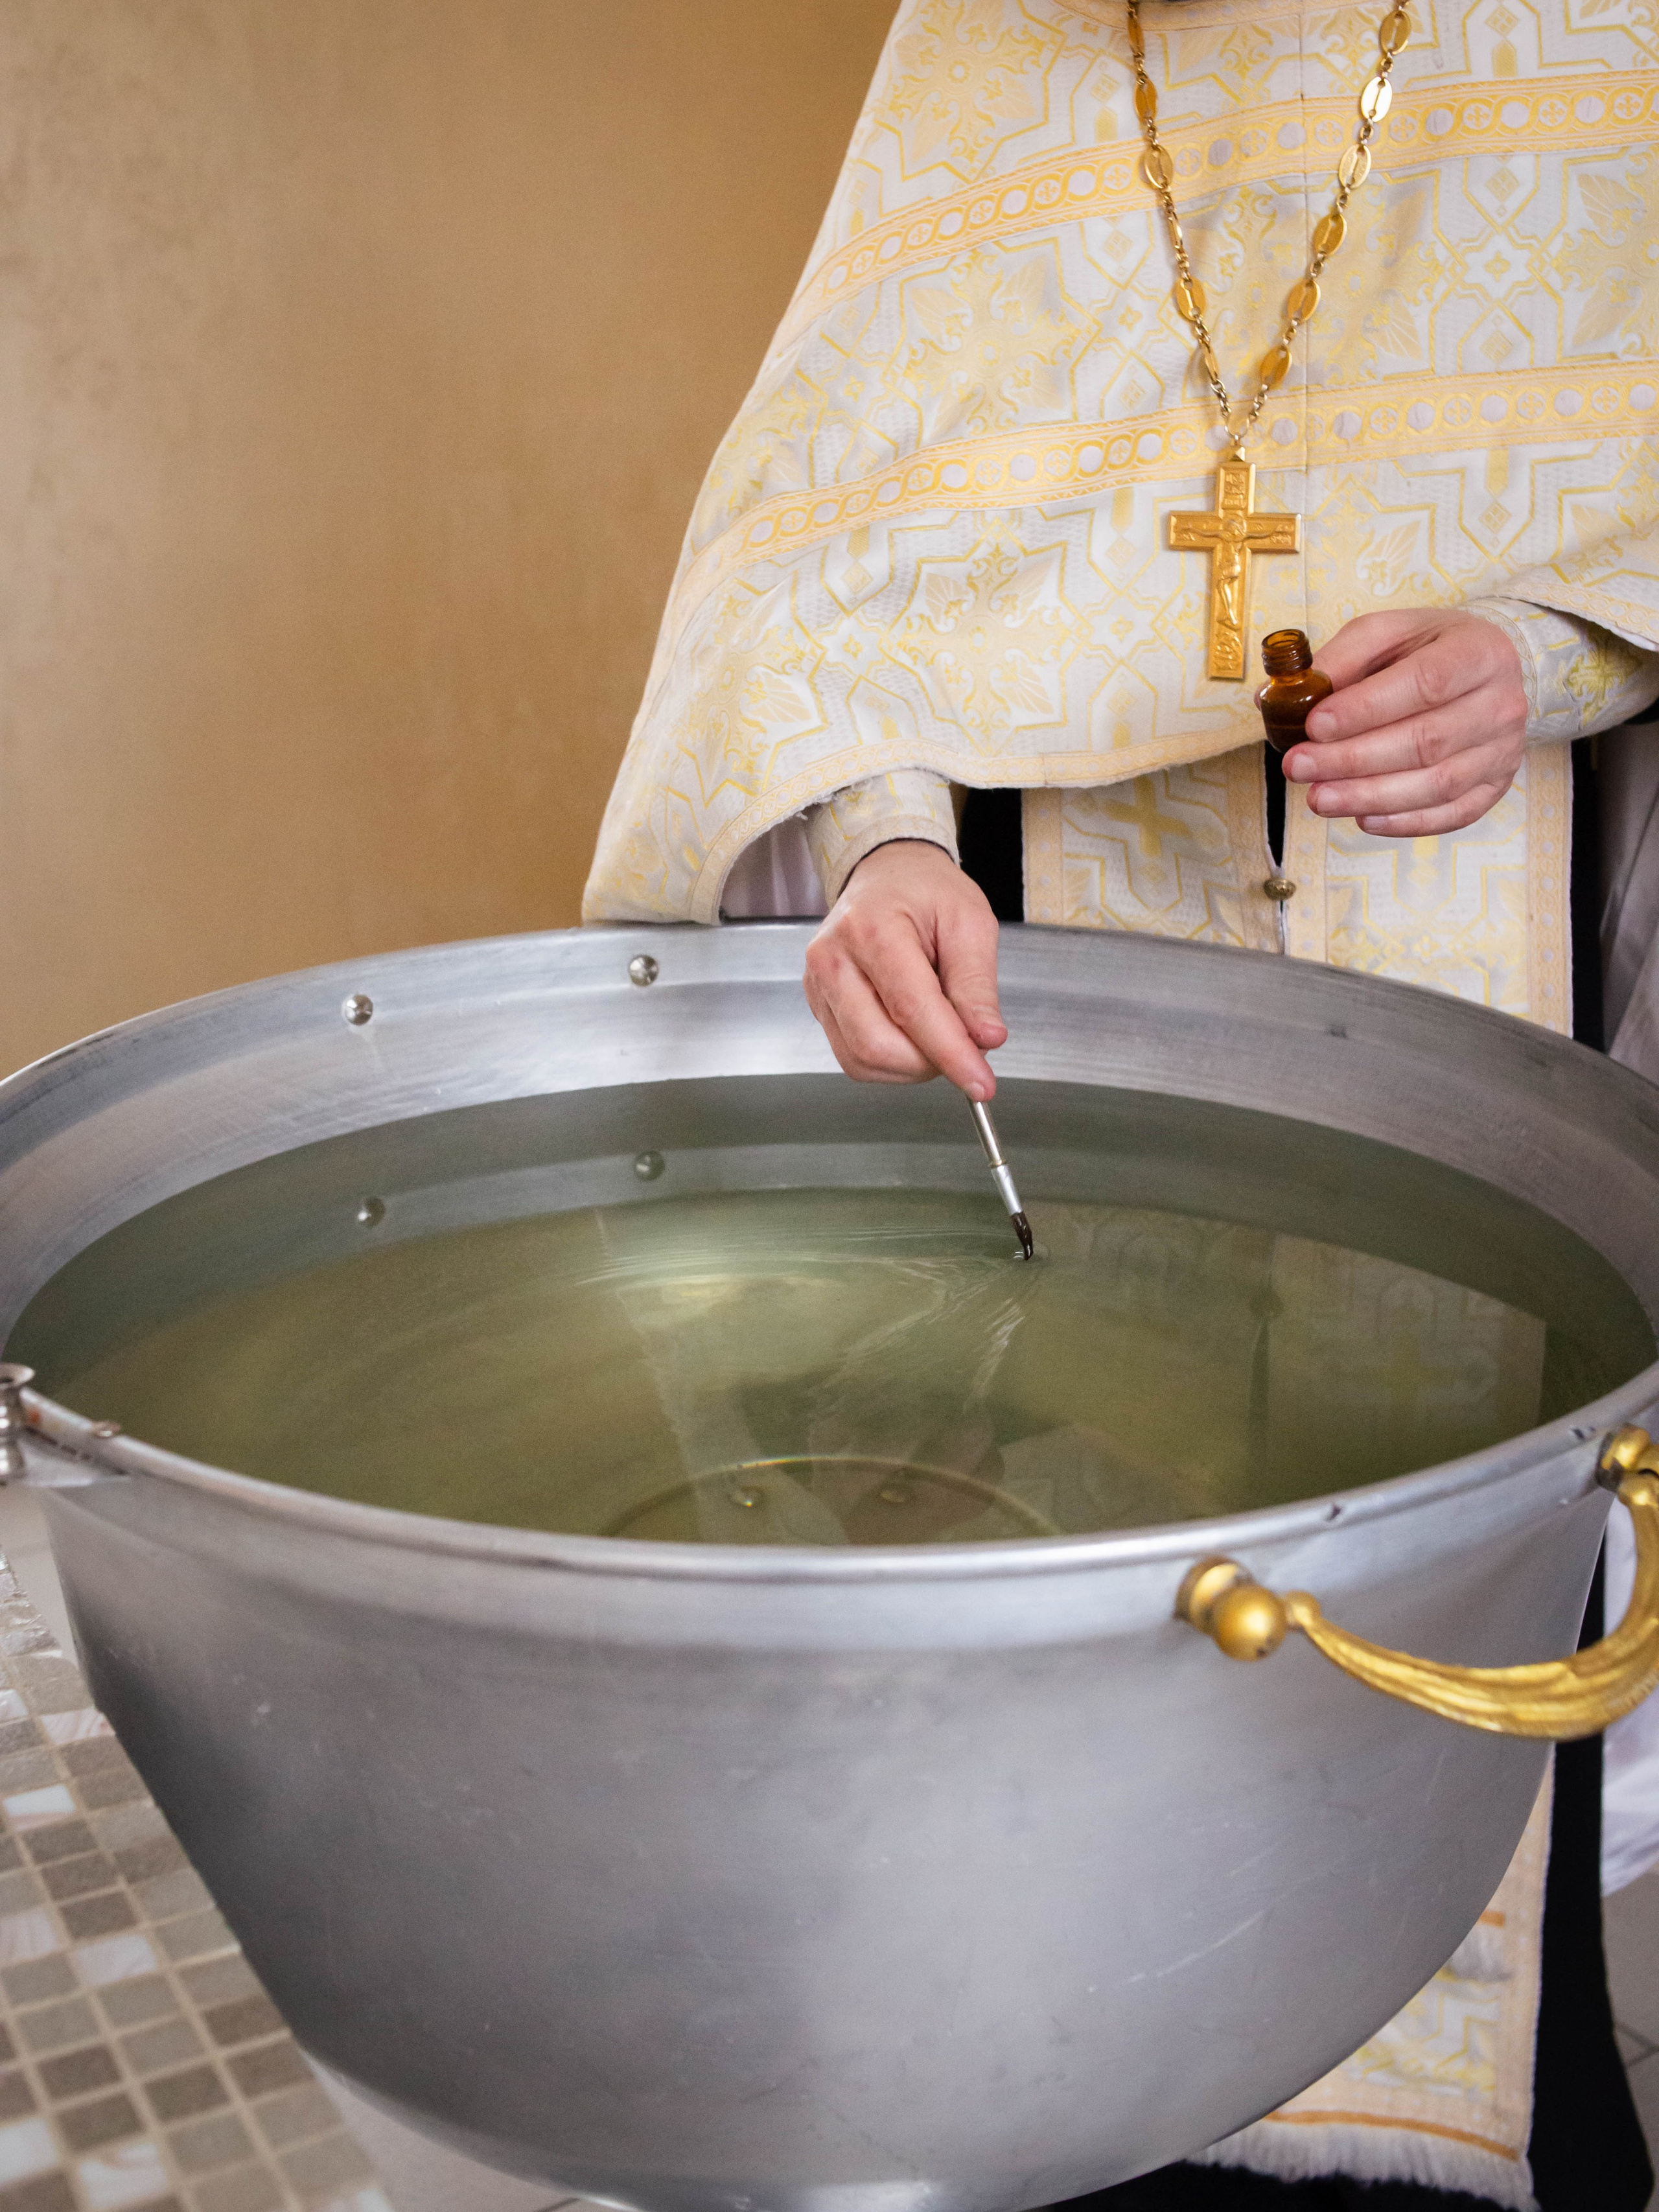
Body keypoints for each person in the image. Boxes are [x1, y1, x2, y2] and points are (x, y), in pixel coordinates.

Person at [585, 0, 1659, 2200]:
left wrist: (1553, 656)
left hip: (1485, 965)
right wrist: (879, 841)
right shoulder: (982, 46)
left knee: (1444, 1649)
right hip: (1062, 1028)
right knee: (1033, 1744)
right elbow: (817, 574)